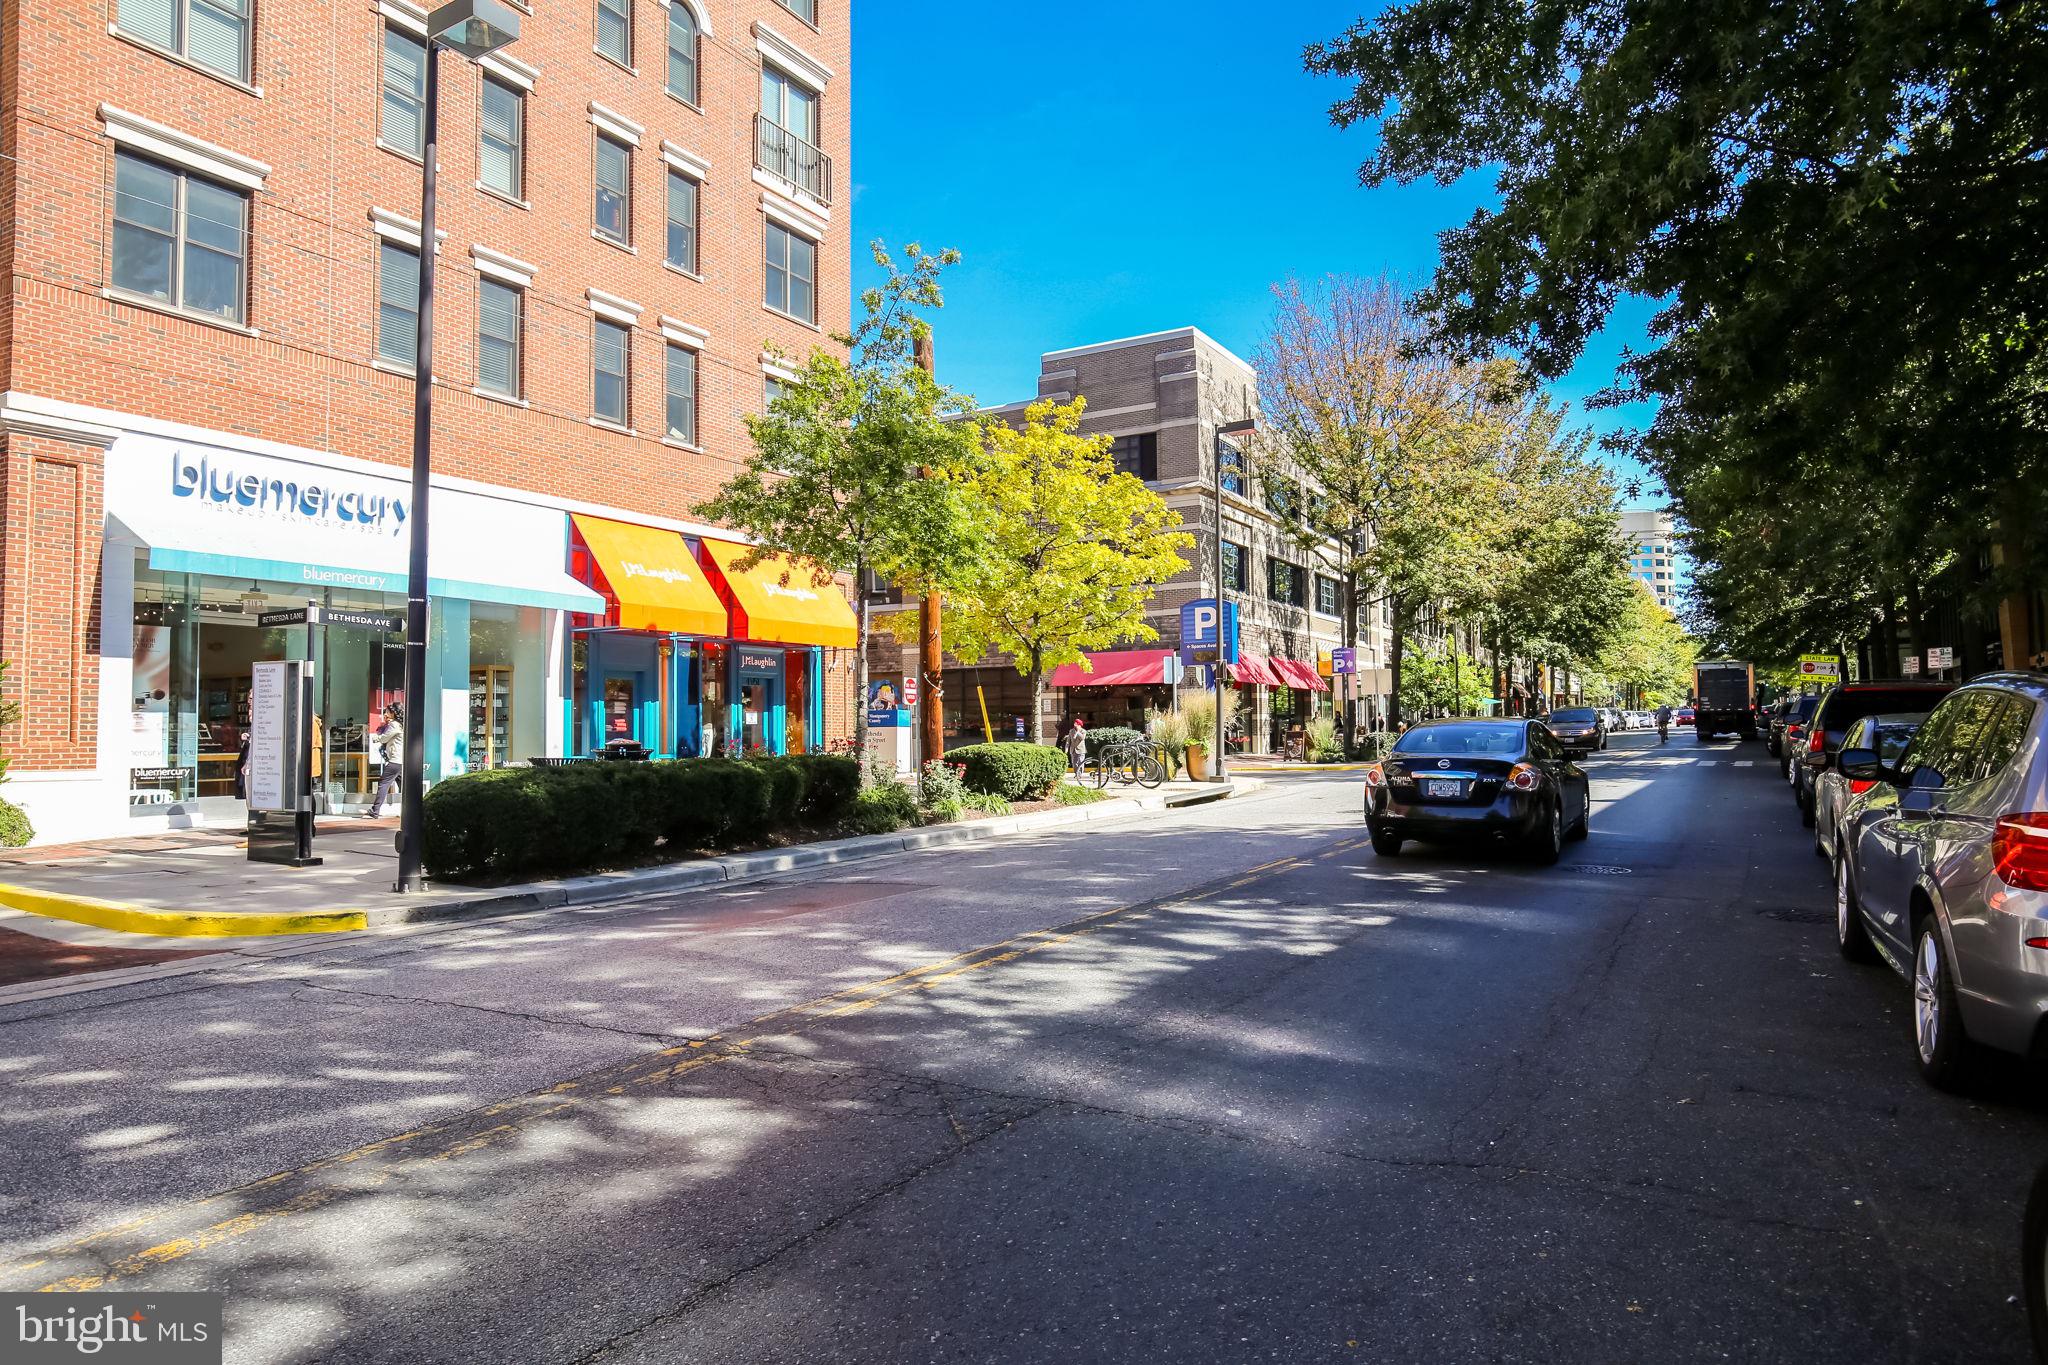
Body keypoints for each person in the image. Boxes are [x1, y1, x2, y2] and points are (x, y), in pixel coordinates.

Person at [367, 703, 404, 817]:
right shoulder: (402, 724)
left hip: (395, 760)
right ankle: (413, 810)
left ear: (393, 713)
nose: (385, 714)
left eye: (387, 712)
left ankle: (375, 810)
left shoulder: (394, 725)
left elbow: (385, 738)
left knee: (383, 784)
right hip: (401, 760)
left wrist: (375, 738)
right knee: (404, 786)